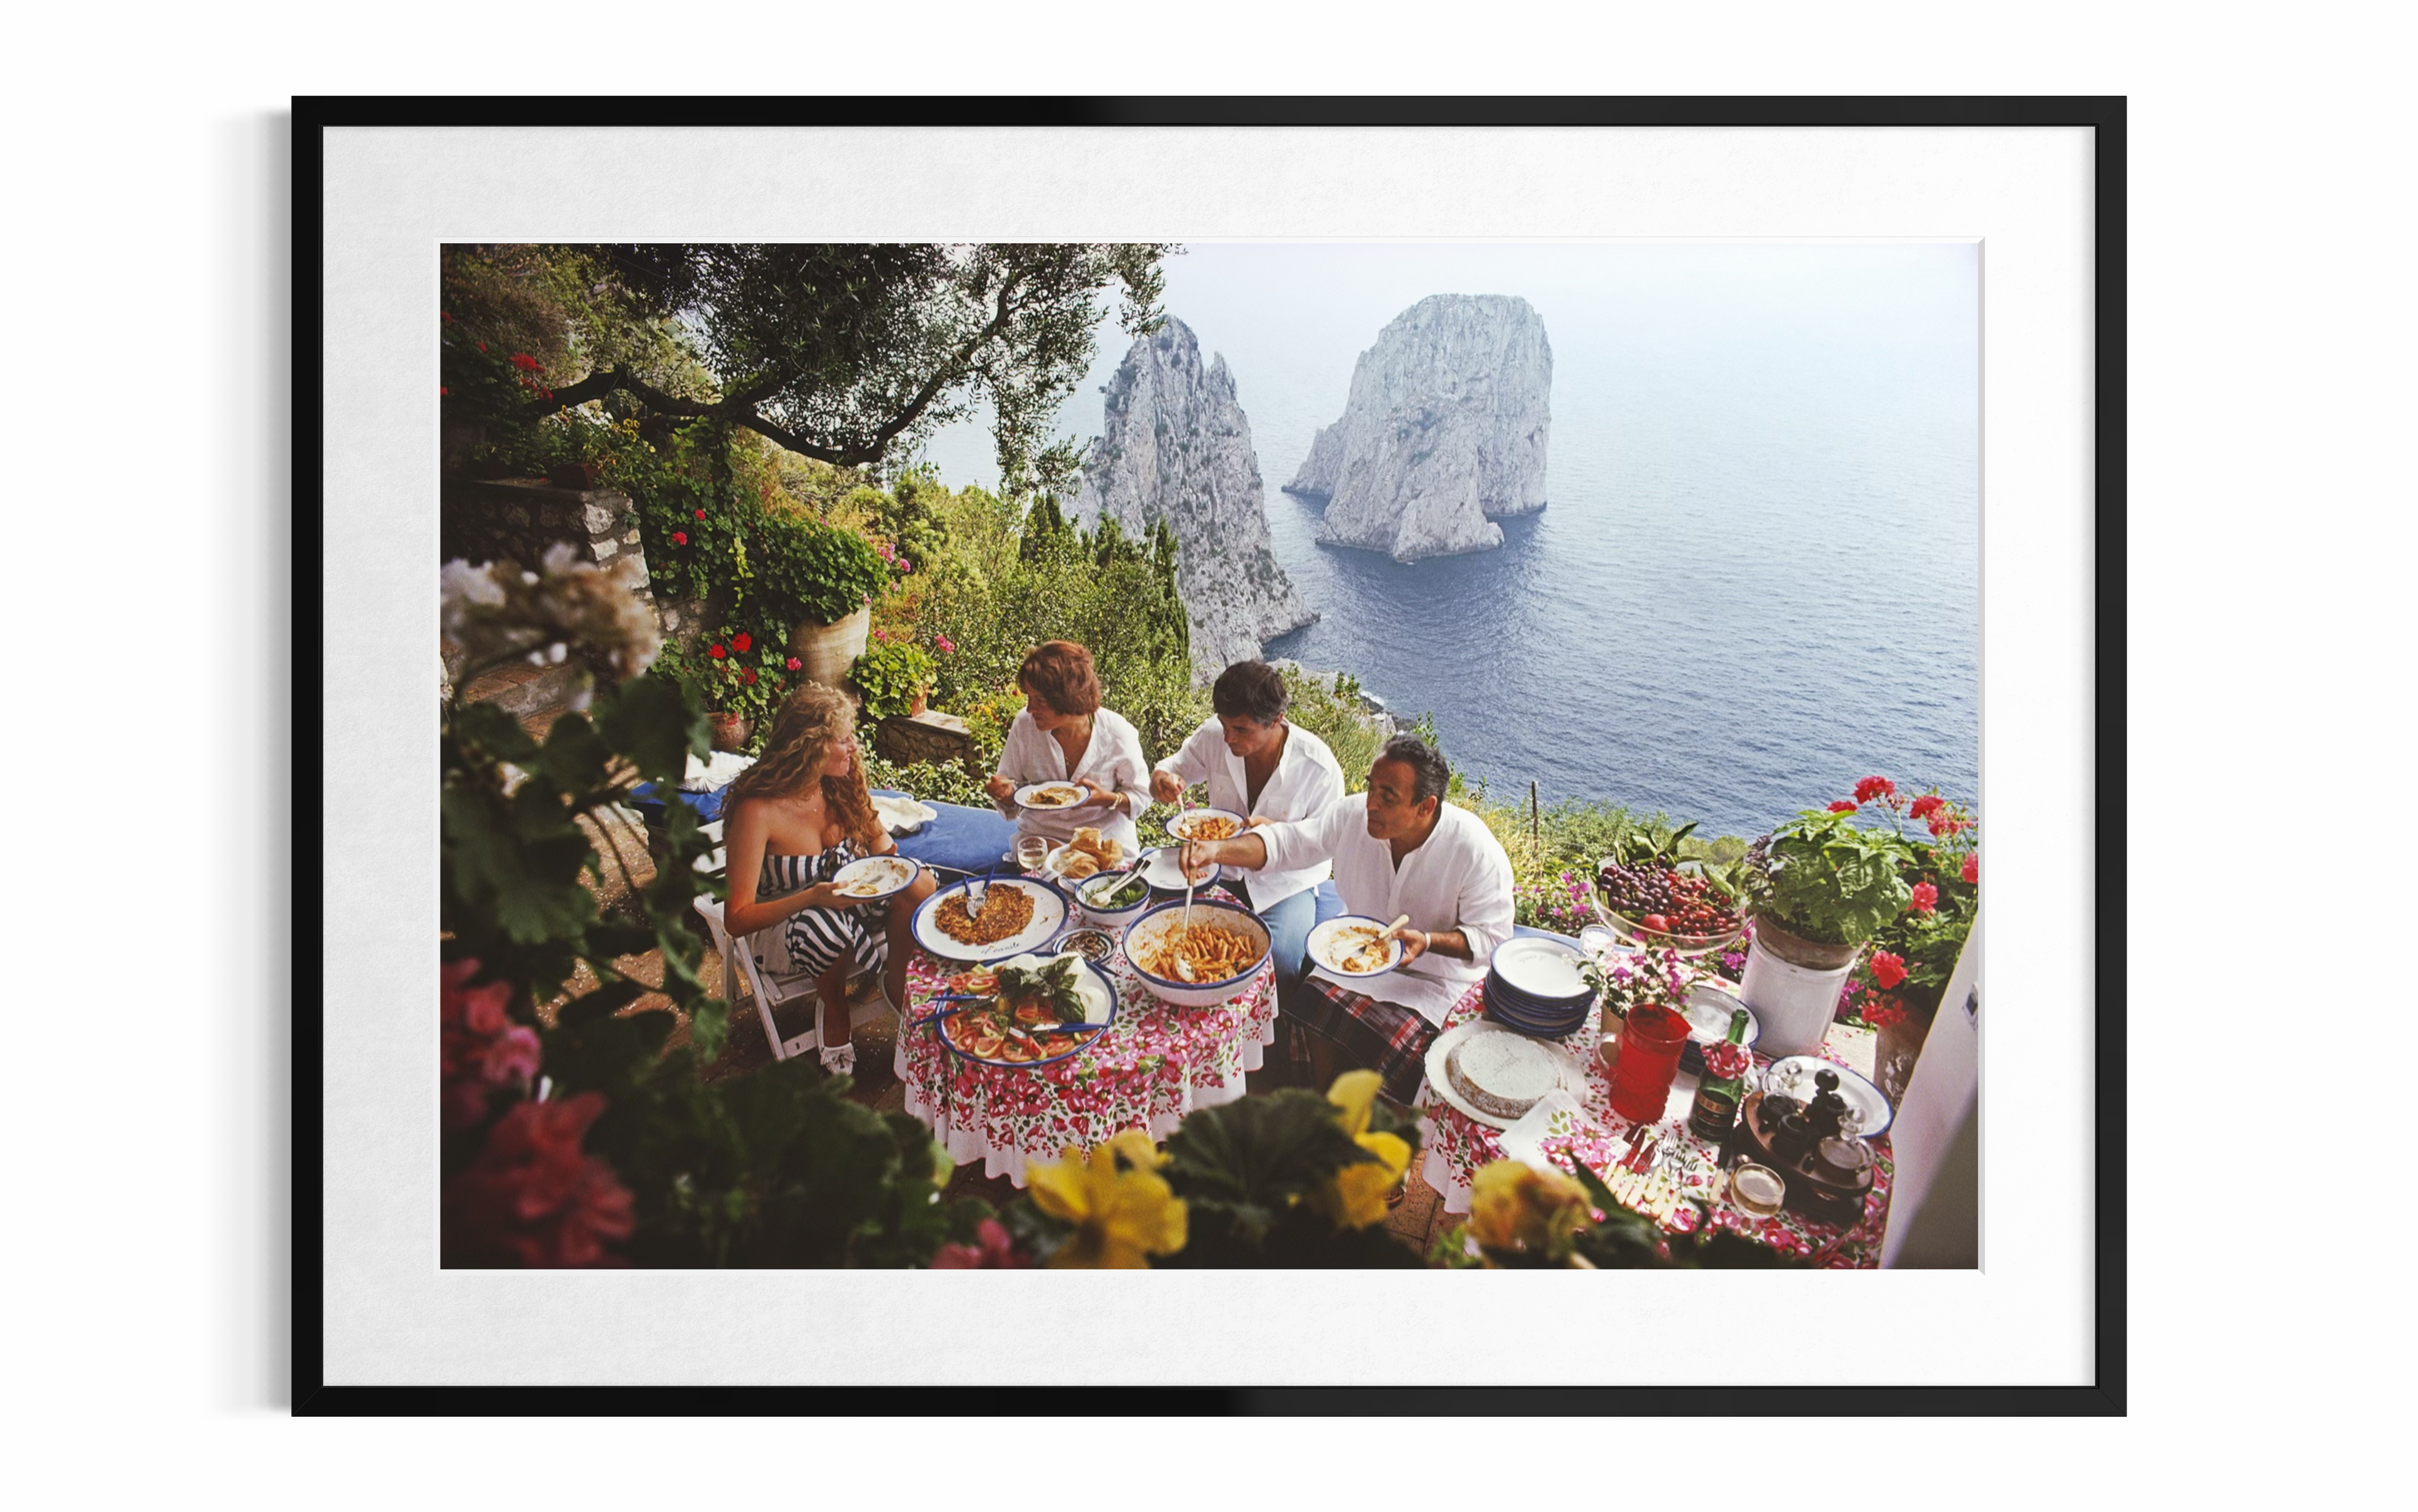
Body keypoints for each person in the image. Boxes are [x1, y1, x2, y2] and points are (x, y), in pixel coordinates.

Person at [1178, 733, 1513, 1110]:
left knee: (1403, 1049)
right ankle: (1327, 1107)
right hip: (1353, 956)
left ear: (1426, 806)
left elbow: (1492, 939)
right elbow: (1287, 844)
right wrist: (1216, 850)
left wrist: (1428, 941)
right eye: (1371, 788)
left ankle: (1382, 1127)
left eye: (1388, 797)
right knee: (1310, 1003)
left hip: (1435, 981)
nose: (1371, 804)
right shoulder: (1353, 816)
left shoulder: (1473, 850)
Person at [721, 684, 938, 1078]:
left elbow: (883, 848)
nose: (854, 747)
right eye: (844, 739)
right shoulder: (758, 811)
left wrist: (901, 875)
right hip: (783, 921)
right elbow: (736, 918)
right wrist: (810, 897)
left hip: (843, 899)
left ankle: (898, 983)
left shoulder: (840, 782)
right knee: (824, 926)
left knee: (920, 885)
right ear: (811, 745)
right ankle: (835, 1006)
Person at [1150, 660, 1345, 994]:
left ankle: (1272, 1040)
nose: (1228, 738)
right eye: (1224, 724)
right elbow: (1172, 768)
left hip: (1285, 884)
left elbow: (1323, 843)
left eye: (1241, 730)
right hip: (1221, 871)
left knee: (1280, 960)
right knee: (1166, 935)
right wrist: (1162, 781)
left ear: (1277, 720)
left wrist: (1277, 833)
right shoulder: (1215, 735)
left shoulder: (1319, 767)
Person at [983, 640, 1152, 857]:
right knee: (1049, 878)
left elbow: (1142, 796)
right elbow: (1011, 785)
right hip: (1042, 839)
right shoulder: (1025, 725)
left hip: (1103, 843)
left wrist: (1105, 798)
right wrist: (1005, 793)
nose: (1030, 708)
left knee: (1089, 880)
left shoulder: (1118, 734)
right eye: (1029, 697)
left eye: (1040, 701)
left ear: (1069, 699)